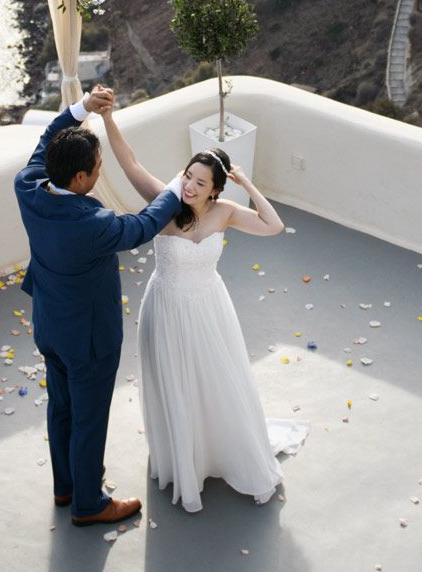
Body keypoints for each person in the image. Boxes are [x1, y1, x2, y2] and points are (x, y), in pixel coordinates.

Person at [100, 96, 307, 511]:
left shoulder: (226, 212)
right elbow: (130, 164)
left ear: (215, 190)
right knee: (175, 382)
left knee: (215, 381)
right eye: (187, 176)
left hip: (210, 308)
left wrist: (248, 185)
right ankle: (184, 460)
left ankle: (218, 450)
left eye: (199, 182)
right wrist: (107, 118)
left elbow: (274, 226)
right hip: (167, 307)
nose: (189, 185)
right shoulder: (165, 203)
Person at [13, 86, 180, 527]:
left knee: (61, 407)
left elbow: (48, 136)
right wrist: (178, 189)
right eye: (98, 168)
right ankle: (89, 503)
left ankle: (64, 485)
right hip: (89, 337)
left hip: (50, 325)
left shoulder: (29, 185)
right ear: (82, 179)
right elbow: (144, 225)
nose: (99, 172)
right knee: (89, 417)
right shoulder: (94, 224)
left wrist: (82, 109)